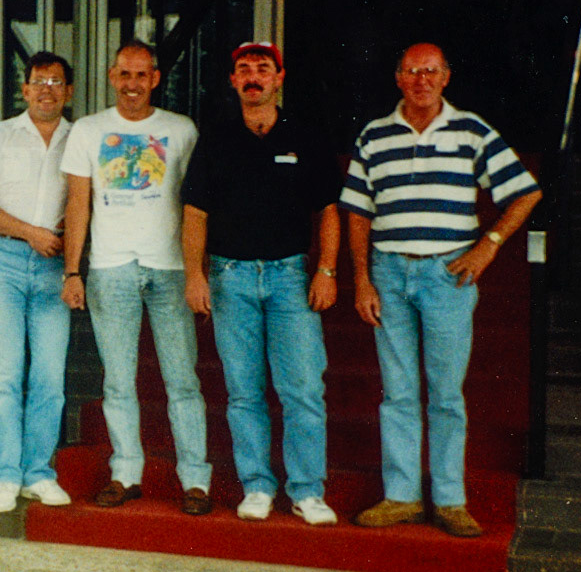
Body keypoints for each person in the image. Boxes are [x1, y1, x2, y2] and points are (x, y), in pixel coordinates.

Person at [340, 42, 541, 537]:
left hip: (446, 276)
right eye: (412, 71)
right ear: (398, 78)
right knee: (399, 391)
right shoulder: (375, 135)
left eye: (430, 71)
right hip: (389, 272)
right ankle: (402, 496)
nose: (421, 80)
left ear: (446, 77)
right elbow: (358, 212)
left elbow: (526, 191)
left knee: (446, 393)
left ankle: (450, 500)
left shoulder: (471, 131)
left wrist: (489, 244)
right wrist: (362, 278)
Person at [181, 41, 342, 526]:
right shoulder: (216, 138)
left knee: (303, 390)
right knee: (244, 391)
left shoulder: (305, 137)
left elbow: (329, 210)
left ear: (279, 78)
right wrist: (195, 274)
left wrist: (327, 270)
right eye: (244, 70)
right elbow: (194, 212)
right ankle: (256, 485)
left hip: (291, 277)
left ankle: (308, 491)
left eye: (263, 69)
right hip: (230, 278)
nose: (254, 76)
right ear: (233, 81)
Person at [60, 40, 214, 516]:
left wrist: (196, 271)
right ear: (111, 76)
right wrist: (73, 269)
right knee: (118, 381)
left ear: (156, 78)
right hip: (110, 268)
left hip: (169, 268)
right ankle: (126, 473)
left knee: (182, 379)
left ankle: (195, 480)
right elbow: (78, 204)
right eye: (124, 75)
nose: (132, 85)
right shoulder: (88, 131)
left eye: (141, 75)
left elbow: (197, 207)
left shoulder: (180, 130)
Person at [0, 51, 77, 513]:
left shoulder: (81, 139)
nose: (47, 88)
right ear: (25, 90)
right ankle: (6, 475)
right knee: (6, 375)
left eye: (56, 81)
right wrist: (31, 233)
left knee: (50, 376)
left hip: (55, 266)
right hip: (2, 263)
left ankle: (39, 474)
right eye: (38, 80)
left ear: (68, 91)